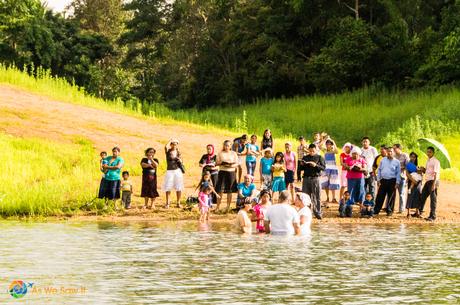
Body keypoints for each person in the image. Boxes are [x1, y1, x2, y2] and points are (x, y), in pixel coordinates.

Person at [300, 144, 326, 220]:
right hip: (306, 178)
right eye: (310, 150)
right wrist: (302, 164)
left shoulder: (319, 157)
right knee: (305, 196)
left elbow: (323, 168)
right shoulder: (305, 157)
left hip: (315, 178)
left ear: (316, 150)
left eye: (313, 151)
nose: (311, 152)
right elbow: (301, 168)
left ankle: (318, 212)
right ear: (308, 150)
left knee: (316, 196)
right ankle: (307, 212)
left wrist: (315, 165)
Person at [375, 147, 401, 216]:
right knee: (380, 196)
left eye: (391, 151)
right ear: (387, 152)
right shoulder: (383, 160)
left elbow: (398, 173)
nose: (389, 153)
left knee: (391, 197)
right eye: (388, 151)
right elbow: (379, 170)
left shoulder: (397, 162)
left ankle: (389, 211)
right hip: (383, 180)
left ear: (394, 153)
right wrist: (378, 179)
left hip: (392, 180)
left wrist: (397, 182)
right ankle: (376, 210)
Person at [216, 140, 239, 212]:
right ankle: (217, 207)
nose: (226, 147)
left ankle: (228, 207)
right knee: (220, 190)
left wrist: (231, 165)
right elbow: (216, 163)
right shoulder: (220, 153)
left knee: (230, 190)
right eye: (225, 145)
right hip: (222, 172)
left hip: (231, 172)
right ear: (223, 145)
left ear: (230, 146)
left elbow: (237, 164)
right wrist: (222, 163)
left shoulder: (234, 153)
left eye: (228, 145)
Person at [419, 146, 441, 222]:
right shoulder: (428, 160)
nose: (428, 153)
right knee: (422, 196)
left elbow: (436, 174)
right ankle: (419, 211)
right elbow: (427, 171)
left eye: (430, 152)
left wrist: (434, 185)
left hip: (433, 181)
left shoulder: (436, 161)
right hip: (428, 181)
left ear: (433, 153)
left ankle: (433, 216)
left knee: (433, 199)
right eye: (427, 152)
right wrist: (423, 169)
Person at [163, 139, 184, 208]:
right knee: (168, 187)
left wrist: (180, 160)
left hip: (177, 171)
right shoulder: (168, 152)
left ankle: (178, 203)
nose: (174, 145)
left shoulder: (179, 152)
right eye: (172, 144)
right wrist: (170, 140)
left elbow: (182, 162)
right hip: (170, 171)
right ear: (171, 145)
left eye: (175, 144)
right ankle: (167, 203)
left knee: (179, 187)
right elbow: (165, 147)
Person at [320, 139, 340, 204]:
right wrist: (324, 139)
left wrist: (333, 141)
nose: (328, 145)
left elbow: (337, 151)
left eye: (329, 144)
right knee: (326, 183)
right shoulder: (325, 150)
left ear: (331, 145)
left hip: (333, 168)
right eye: (327, 144)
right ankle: (328, 197)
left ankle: (333, 198)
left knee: (333, 183)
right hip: (326, 168)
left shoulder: (333, 151)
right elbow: (319, 146)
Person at [393, 144, 410, 213]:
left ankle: (401, 209)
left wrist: (400, 168)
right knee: (392, 193)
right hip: (394, 176)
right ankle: (390, 207)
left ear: (399, 148)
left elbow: (408, 166)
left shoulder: (405, 155)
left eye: (395, 148)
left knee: (401, 193)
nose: (393, 150)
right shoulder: (394, 156)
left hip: (402, 176)